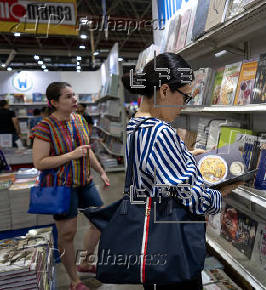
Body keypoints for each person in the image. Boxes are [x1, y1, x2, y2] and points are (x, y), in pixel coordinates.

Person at [123, 53, 238, 290]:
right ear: (164, 90)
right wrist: (222, 192)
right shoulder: (160, 131)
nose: (184, 105)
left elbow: (154, 173)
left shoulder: (136, 124)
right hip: (172, 250)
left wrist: (184, 155)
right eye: (185, 96)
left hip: (152, 244)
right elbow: (192, 198)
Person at [31, 82, 110, 290]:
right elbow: (39, 162)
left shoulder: (79, 120)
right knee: (68, 234)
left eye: (74, 95)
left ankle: (85, 262)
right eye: (67, 96)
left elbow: (87, 150)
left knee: (99, 222)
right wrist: (70, 155)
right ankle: (74, 281)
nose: (74, 99)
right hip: (61, 187)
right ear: (54, 102)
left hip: (85, 182)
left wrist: (100, 170)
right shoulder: (44, 128)